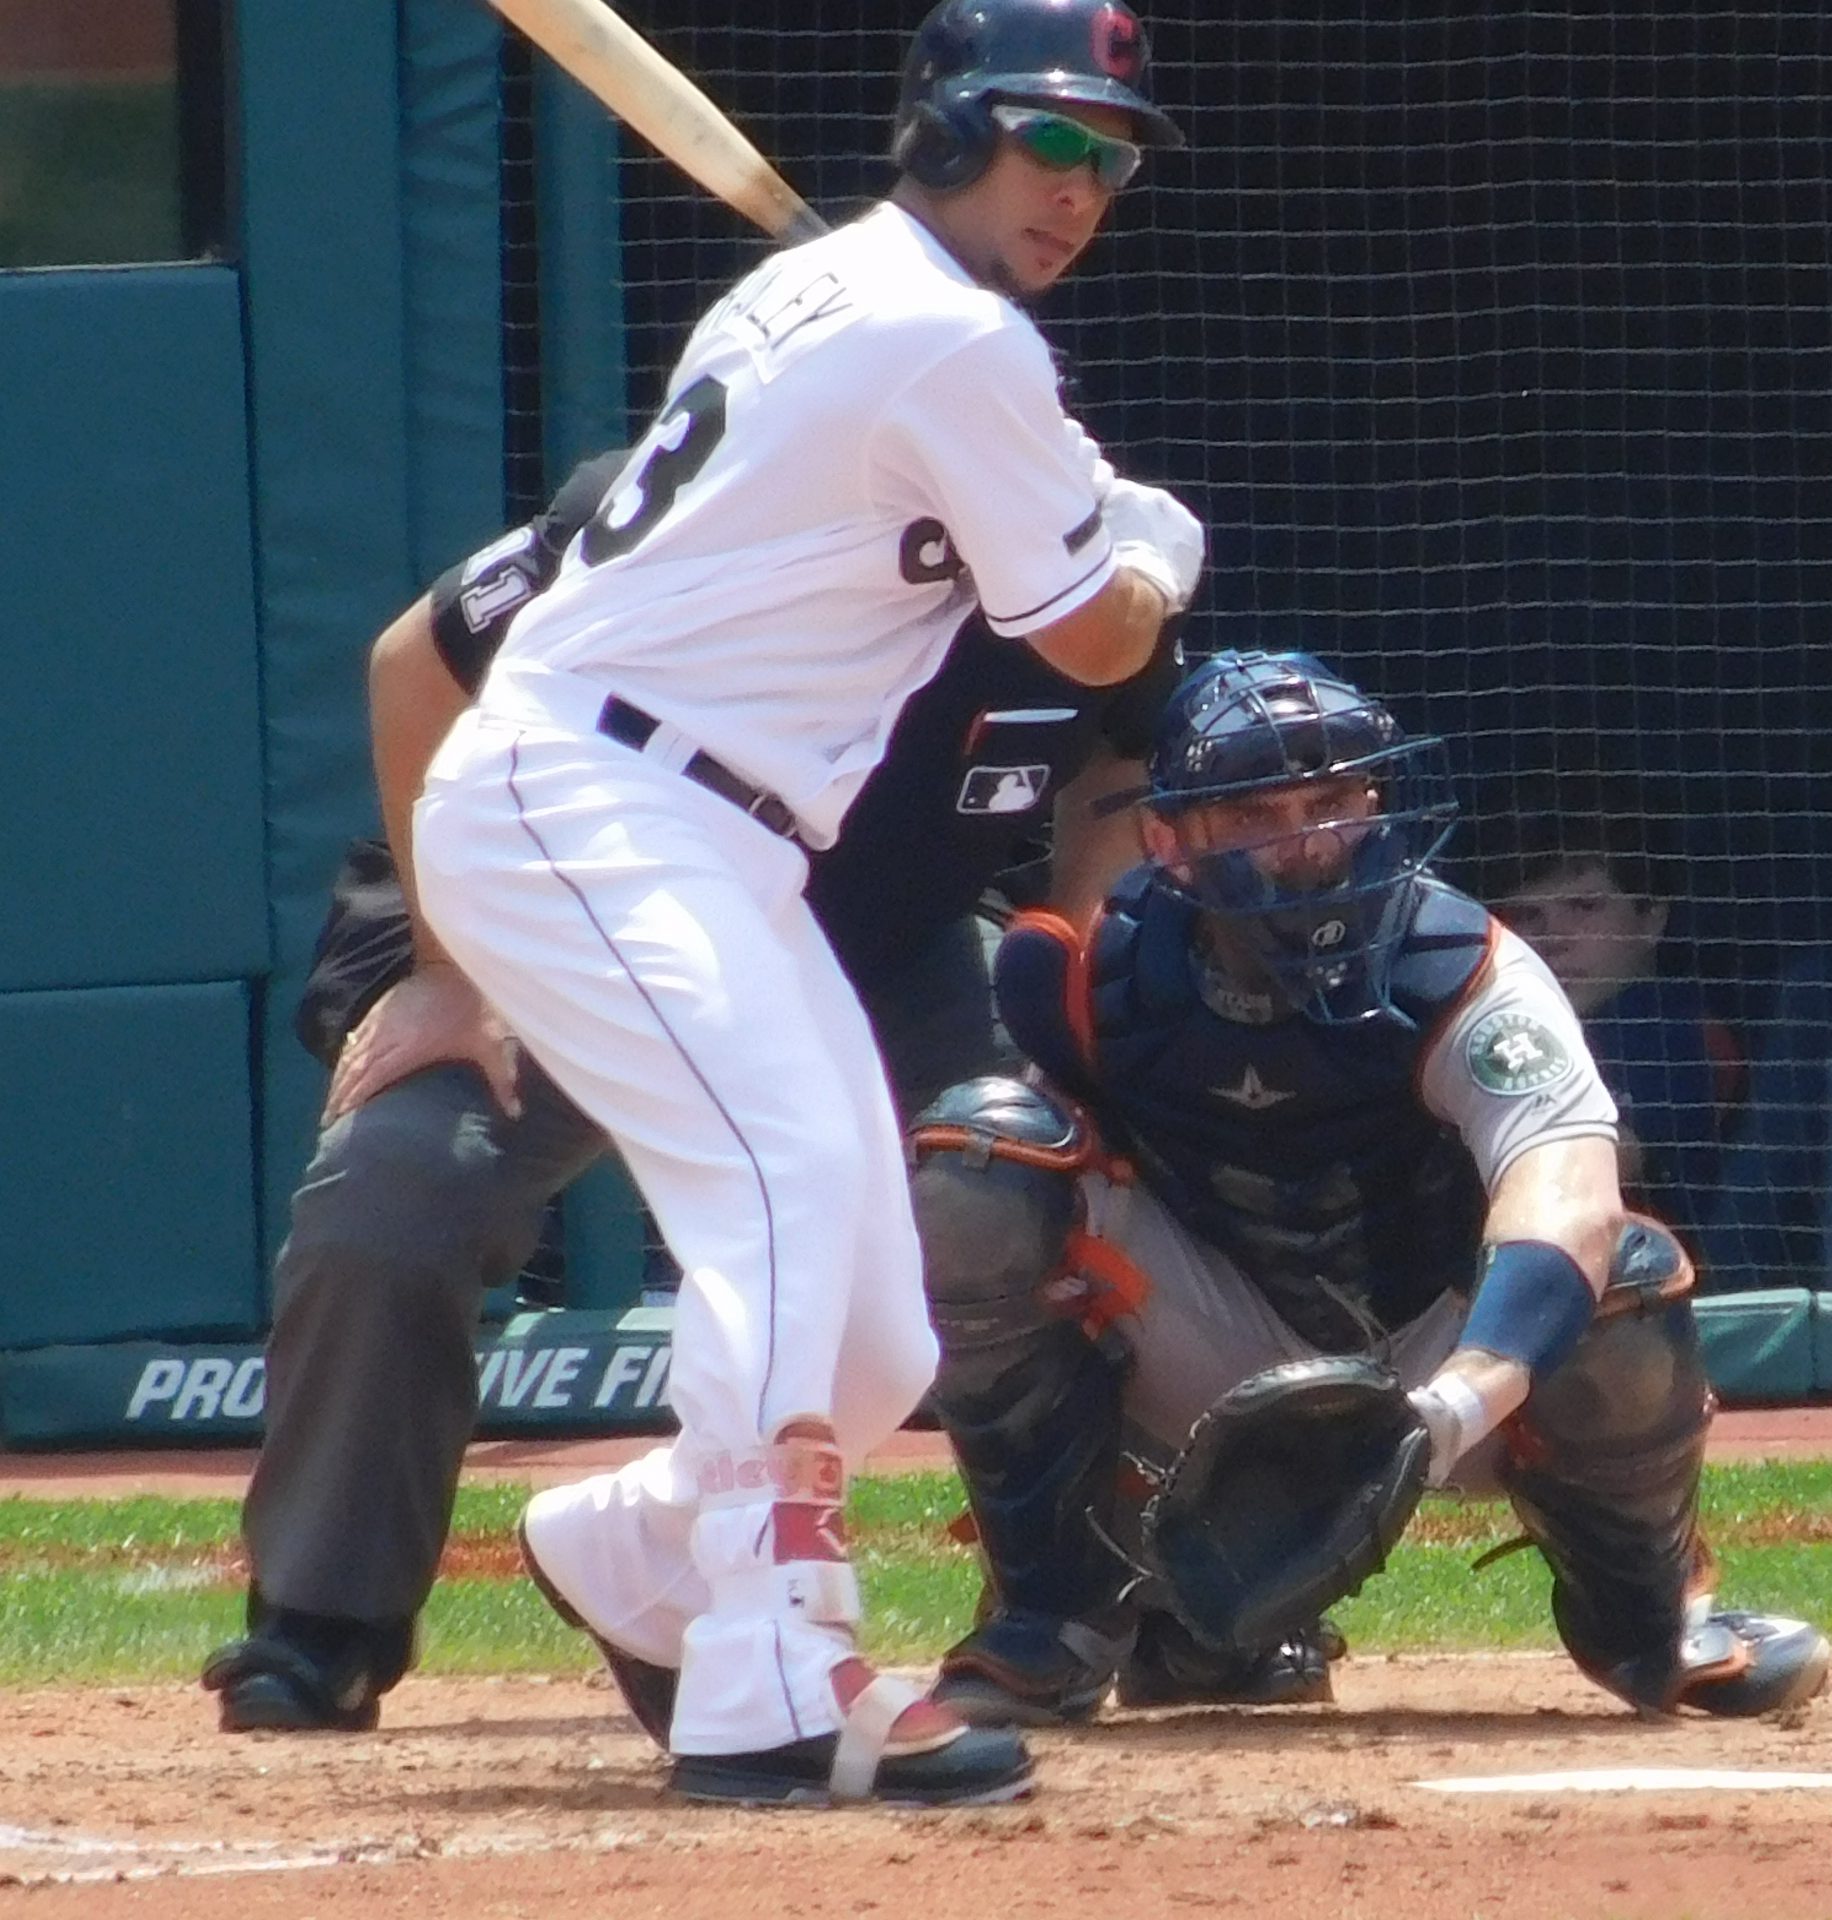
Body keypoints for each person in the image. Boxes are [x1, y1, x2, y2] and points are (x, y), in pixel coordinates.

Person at [385, 0, 1190, 1810]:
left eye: (1111, 157)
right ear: (949, 130)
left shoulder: (834, 298)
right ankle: (776, 1669)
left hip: (715, 831)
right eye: (1050, 139)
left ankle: (636, 1548)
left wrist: (1076, 505)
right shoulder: (947, 337)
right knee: (779, 1186)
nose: (1082, 185)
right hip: (589, 788)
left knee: (878, 1324)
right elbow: (1094, 641)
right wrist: (1146, 548)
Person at [200, 426, 1175, 1738]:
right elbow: (412, 663)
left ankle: (1084, 1608)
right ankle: (324, 1622)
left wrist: (1072, 987)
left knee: (1035, 1175)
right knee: (400, 1185)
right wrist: (442, 969)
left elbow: (1118, 763)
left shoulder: (1092, 572)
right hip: (573, 909)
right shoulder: (693, 498)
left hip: (876, 952)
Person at [904, 649, 1832, 1728]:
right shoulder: (1087, 976)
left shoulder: (1465, 968)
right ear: (1169, 841)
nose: (1306, 843)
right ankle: (1058, 1615)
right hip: (1210, 1343)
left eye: (1332, 802)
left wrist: (1454, 1405)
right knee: (980, 1157)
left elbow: (1568, 1195)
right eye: (1255, 814)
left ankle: (1649, 1623)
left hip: (1448, 1357)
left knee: (1617, 1267)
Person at [1481, 813, 1746, 1258]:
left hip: (1650, 1282)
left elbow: (1609, 1161)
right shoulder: (1497, 1024)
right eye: (1528, 915)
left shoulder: (1678, 1032)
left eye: (1584, 907)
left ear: (1651, 919)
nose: (1553, 939)